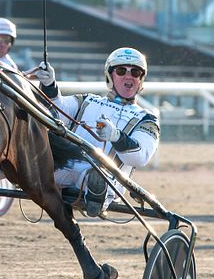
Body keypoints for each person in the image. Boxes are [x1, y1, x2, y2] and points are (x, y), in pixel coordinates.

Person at [35, 47, 160, 218]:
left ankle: (96, 188)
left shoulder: (146, 118)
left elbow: (140, 156)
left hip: (107, 178)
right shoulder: (88, 100)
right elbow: (57, 110)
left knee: (97, 178)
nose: (129, 76)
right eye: (122, 70)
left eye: (136, 72)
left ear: (141, 79)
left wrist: (116, 136)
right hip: (63, 166)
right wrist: (49, 85)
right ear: (110, 76)